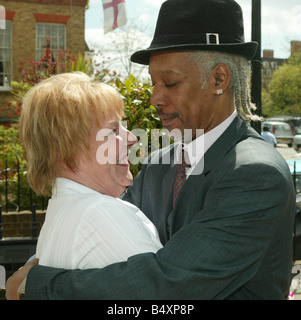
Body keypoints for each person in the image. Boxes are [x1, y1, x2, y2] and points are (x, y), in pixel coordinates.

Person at [6, 0, 295, 300]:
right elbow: (103, 226)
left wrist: (37, 284)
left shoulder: (255, 174)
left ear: (218, 79)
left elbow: (170, 285)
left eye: (170, 82)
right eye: (153, 83)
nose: (155, 98)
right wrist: (45, 257)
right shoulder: (159, 164)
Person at [7, 72, 163, 298]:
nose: (132, 137)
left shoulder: (64, 211)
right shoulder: (100, 213)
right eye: (112, 130)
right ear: (65, 149)